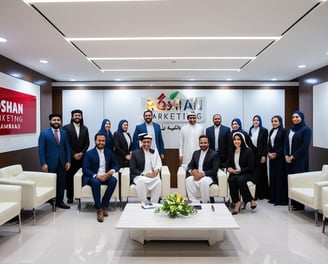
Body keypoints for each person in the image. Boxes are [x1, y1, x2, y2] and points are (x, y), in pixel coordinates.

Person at [82, 133, 119, 222]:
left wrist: (111, 171)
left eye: (103, 141)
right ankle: (99, 209)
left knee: (113, 180)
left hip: (105, 176)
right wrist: (96, 176)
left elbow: (117, 165)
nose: (101, 142)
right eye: (99, 141)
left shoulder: (109, 152)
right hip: (93, 177)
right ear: (95, 141)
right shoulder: (89, 153)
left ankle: (104, 205)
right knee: (96, 182)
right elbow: (85, 169)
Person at [38, 113, 71, 209]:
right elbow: (41, 150)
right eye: (54, 120)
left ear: (60, 122)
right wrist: (43, 163)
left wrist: (68, 161)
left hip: (62, 162)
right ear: (50, 121)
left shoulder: (64, 133)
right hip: (49, 163)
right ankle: (52, 201)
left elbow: (67, 148)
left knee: (61, 183)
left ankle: (60, 202)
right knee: (51, 183)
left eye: (58, 120)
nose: (56, 122)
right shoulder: (44, 133)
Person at [284, 110, 312, 210]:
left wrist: (293, 156)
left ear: (301, 118)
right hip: (289, 159)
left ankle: (299, 205)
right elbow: (286, 144)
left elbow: (304, 146)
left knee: (299, 181)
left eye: (297, 117)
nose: (295, 119)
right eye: (293, 117)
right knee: (291, 181)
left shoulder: (306, 130)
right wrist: (286, 155)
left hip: (299, 159)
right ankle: (293, 202)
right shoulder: (290, 130)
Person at [63, 109, 90, 204]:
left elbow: (87, 143)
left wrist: (82, 153)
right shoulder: (66, 128)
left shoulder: (85, 128)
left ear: (81, 117)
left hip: (82, 157)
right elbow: (65, 143)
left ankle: (78, 195)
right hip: (70, 157)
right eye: (75, 115)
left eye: (79, 115)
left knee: (80, 177)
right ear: (72, 117)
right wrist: (73, 154)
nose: (77, 117)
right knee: (70, 177)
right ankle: (70, 197)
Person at [227, 132, 257, 215]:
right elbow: (228, 163)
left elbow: (251, 167)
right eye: (235, 140)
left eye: (238, 139)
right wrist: (229, 168)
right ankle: (237, 202)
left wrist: (239, 171)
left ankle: (250, 199)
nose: (236, 141)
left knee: (240, 180)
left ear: (242, 140)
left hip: (247, 173)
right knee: (231, 180)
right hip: (235, 173)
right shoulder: (231, 151)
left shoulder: (248, 151)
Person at [186, 135, 220, 204]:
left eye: (205, 143)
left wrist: (202, 174)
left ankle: (206, 202)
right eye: (201, 143)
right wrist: (192, 171)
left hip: (208, 177)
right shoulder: (196, 153)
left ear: (208, 143)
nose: (203, 144)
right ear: (199, 144)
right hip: (197, 175)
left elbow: (215, 170)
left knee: (203, 181)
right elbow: (190, 165)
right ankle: (194, 202)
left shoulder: (214, 154)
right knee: (188, 180)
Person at [130, 133, 162, 203]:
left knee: (158, 182)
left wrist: (156, 170)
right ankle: (145, 203)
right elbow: (132, 169)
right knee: (141, 181)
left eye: (148, 142)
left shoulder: (154, 152)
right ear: (141, 142)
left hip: (152, 176)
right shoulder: (135, 153)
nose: (146, 144)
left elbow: (158, 163)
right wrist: (144, 175)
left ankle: (154, 203)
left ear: (151, 143)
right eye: (144, 142)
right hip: (140, 176)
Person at [268, 115, 287, 205]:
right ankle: (273, 198)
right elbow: (269, 144)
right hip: (272, 158)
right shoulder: (271, 131)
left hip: (279, 158)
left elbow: (284, 145)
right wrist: (269, 153)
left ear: (280, 122)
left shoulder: (283, 131)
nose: (274, 123)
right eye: (272, 121)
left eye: (276, 121)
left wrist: (276, 154)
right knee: (273, 177)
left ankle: (280, 199)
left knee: (279, 178)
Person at [249, 115, 269, 200]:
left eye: (257, 120)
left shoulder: (264, 130)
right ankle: (255, 193)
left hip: (261, 154)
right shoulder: (251, 130)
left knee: (261, 174)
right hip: (253, 155)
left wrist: (264, 155)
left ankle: (261, 194)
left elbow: (265, 144)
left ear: (260, 121)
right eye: (254, 120)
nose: (256, 121)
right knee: (255, 174)